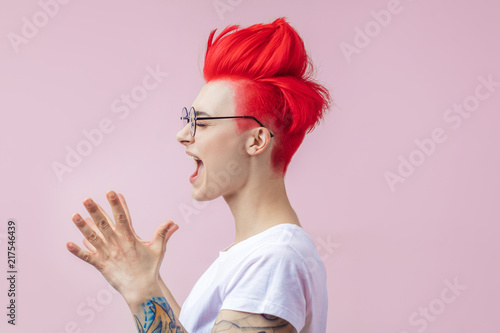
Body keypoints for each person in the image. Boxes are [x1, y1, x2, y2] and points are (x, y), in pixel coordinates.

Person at [66, 17, 331, 333]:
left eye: (202, 123)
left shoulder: (273, 261)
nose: (182, 134)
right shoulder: (259, 255)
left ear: (257, 140)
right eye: (188, 119)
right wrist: (147, 283)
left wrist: (142, 293)